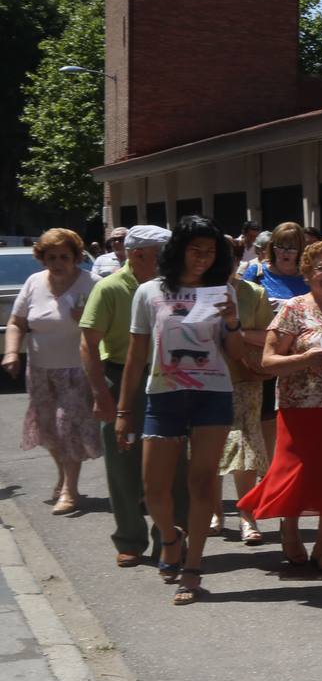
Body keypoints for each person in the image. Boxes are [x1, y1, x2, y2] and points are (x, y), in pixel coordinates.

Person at [118, 216, 248, 606]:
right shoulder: (149, 292)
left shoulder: (222, 291)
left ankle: (192, 567)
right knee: (153, 488)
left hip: (213, 394)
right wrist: (124, 410)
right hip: (164, 395)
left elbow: (236, 353)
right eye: (195, 250)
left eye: (210, 252)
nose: (202, 259)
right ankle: (171, 539)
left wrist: (232, 322)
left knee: (203, 481)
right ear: (178, 250)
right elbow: (136, 354)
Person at [237, 240, 322, 573]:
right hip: (299, 407)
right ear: (307, 272)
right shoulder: (294, 308)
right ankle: (289, 530)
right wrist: (304, 359)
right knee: (295, 474)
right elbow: (269, 361)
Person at [81, 226, 185, 566]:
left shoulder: (175, 286)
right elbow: (88, 344)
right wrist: (100, 393)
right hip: (121, 376)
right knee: (123, 462)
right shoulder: (110, 288)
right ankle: (129, 538)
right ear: (138, 254)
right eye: (162, 252)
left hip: (168, 378)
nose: (170, 259)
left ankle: (170, 539)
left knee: (172, 465)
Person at [4, 228, 101, 514]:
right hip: (40, 370)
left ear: (76, 258)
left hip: (77, 370)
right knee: (48, 430)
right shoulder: (34, 282)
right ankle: (63, 477)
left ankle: (70, 490)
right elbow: (16, 322)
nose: (57, 263)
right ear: (42, 258)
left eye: (64, 257)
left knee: (67, 428)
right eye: (51, 257)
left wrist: (86, 321)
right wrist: (11, 352)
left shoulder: (92, 284)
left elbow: (108, 329)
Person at [214, 268, 274, 543]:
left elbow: (268, 337)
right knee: (210, 447)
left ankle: (246, 516)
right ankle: (215, 512)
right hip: (204, 379)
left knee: (245, 449)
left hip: (246, 377)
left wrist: (235, 331)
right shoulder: (193, 290)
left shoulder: (254, 292)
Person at [243, 222, 309, 308]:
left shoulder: (309, 276)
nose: (285, 253)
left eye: (292, 247)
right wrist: (261, 307)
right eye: (280, 246)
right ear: (271, 247)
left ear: (300, 249)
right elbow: (242, 306)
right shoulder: (256, 272)